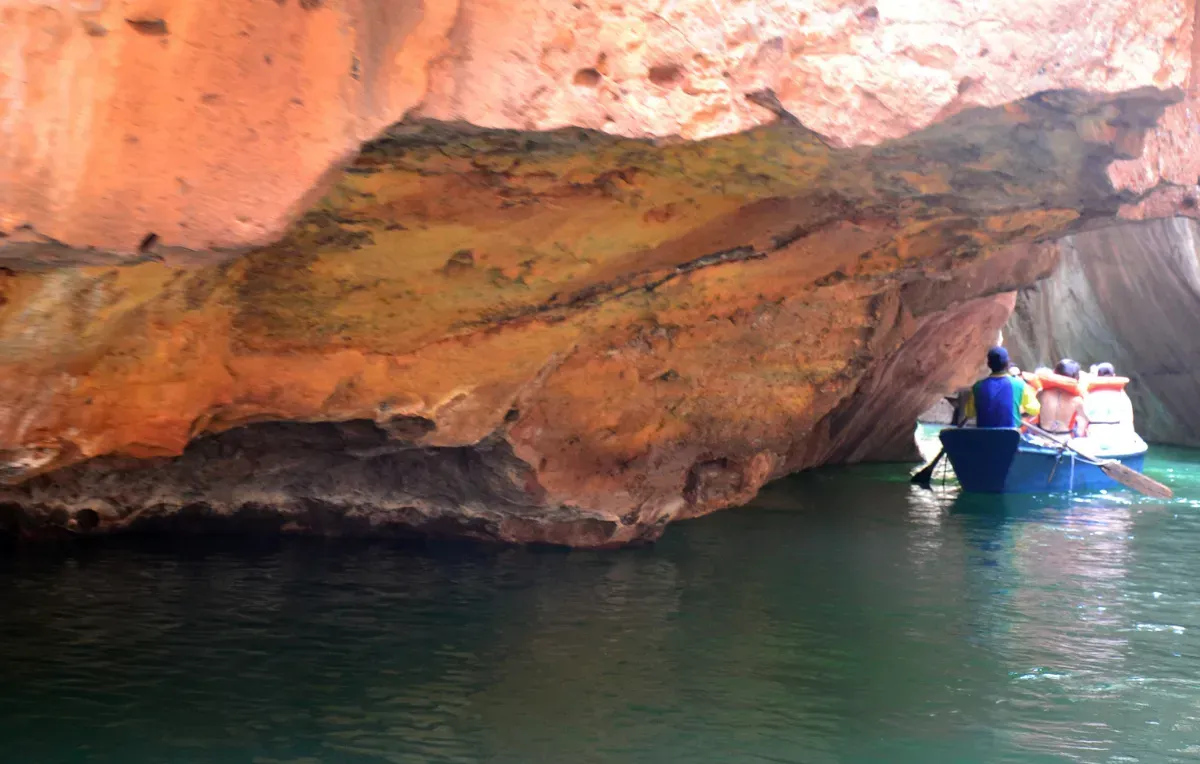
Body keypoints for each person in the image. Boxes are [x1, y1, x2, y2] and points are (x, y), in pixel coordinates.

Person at [963, 346, 1040, 427]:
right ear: (1007, 363)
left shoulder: (977, 386)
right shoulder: (1019, 385)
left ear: (989, 364)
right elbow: (1035, 410)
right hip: (1011, 438)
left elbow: (969, 412)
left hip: (984, 438)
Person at [1082, 362, 1135, 441]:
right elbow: (1129, 419)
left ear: (1097, 376)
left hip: (1095, 434)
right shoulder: (1122, 395)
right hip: (1116, 435)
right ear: (1114, 376)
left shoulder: (1089, 395)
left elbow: (1084, 419)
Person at [1036, 358, 1088, 438]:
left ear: (1055, 373)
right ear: (1076, 378)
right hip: (1063, 440)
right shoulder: (1077, 400)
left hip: (1042, 437)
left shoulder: (1042, 394)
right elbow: (1086, 419)